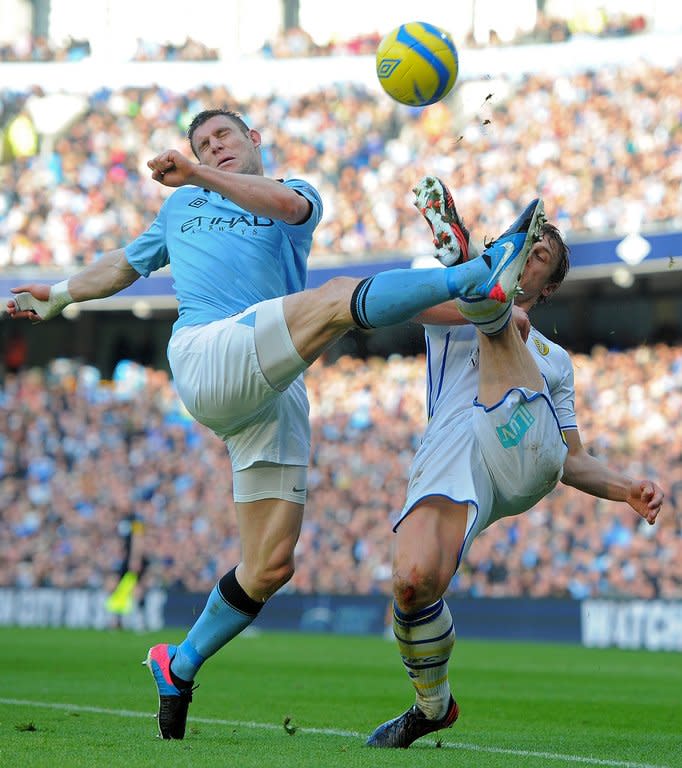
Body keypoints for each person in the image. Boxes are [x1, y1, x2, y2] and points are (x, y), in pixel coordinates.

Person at [7, 109, 545, 741]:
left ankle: (177, 665)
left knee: (269, 565)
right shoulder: (178, 209)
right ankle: (481, 269)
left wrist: (199, 174)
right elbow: (124, 266)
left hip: (274, 386)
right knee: (339, 297)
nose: (213, 148)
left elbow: (286, 209)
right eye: (202, 144)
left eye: (223, 138)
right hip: (209, 352)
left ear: (252, 140)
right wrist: (64, 293)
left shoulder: (297, 194)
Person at [366, 176, 664, 749]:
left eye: (539, 255)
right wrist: (472, 299)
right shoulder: (443, 306)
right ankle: (432, 706)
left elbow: (573, 460)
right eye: (522, 246)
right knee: (411, 584)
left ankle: (488, 297)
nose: (530, 255)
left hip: (523, 450)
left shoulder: (555, 361)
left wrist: (625, 485)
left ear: (545, 287)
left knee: (496, 320)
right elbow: (405, 305)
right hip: (451, 454)